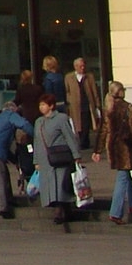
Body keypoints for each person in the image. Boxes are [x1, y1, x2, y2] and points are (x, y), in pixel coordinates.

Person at [99, 79, 132, 225]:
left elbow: (104, 130)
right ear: (120, 92)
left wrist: (98, 149)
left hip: (113, 147)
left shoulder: (109, 107)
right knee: (123, 177)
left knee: (127, 173)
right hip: (125, 146)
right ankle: (115, 212)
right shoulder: (127, 107)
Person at [32, 95, 82, 225]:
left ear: (51, 106)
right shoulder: (39, 122)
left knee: (60, 185)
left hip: (60, 157)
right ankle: (62, 209)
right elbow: (36, 141)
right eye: (40, 105)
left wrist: (76, 155)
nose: (41, 107)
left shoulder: (61, 119)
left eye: (44, 105)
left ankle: (60, 212)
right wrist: (36, 160)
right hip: (45, 160)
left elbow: (69, 137)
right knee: (50, 186)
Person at [0, 102, 34, 219]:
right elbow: (23, 124)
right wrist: (36, 134)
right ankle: (2, 207)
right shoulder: (10, 115)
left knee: (3, 173)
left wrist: (13, 159)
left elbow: (0, 139)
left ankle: (9, 199)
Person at [63, 57, 103, 145]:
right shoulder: (69, 77)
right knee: (77, 123)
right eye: (80, 66)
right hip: (75, 105)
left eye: (83, 66)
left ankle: (84, 142)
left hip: (86, 103)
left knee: (86, 123)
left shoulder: (89, 76)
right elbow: (67, 91)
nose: (83, 68)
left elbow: (94, 91)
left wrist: (97, 105)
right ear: (75, 67)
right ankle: (81, 140)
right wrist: (68, 102)